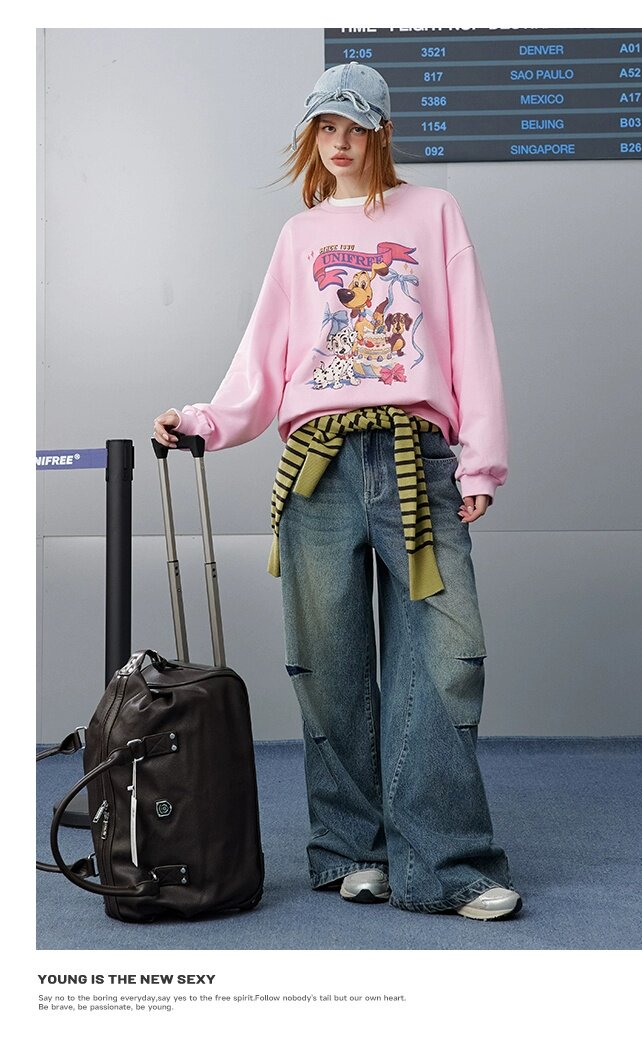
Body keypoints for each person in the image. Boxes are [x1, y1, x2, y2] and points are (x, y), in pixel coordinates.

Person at [153, 61, 522, 920]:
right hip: (318, 468)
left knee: (445, 662)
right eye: (327, 127)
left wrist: (481, 461)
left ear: (381, 132)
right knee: (331, 669)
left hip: (415, 458)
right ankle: (352, 850)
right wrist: (205, 420)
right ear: (313, 136)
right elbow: (266, 355)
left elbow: (470, 337)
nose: (341, 142)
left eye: (355, 127)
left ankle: (445, 866)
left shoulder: (434, 213)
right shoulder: (300, 235)